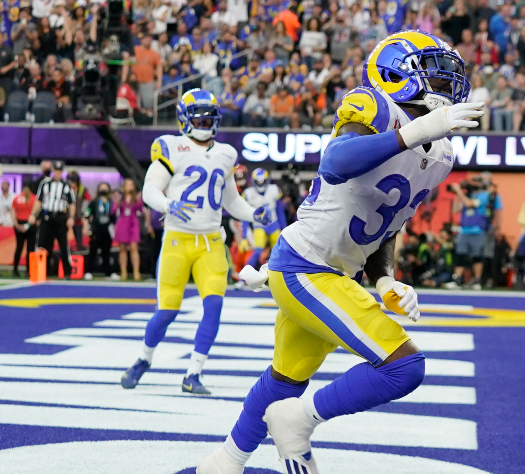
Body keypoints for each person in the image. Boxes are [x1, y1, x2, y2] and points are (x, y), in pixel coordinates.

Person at [196, 31, 484, 474]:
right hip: (307, 267)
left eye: (449, 78)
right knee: (403, 368)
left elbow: (386, 224)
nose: (447, 88)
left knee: (283, 380)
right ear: (394, 73)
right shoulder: (374, 106)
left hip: (332, 272)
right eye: (434, 74)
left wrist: (385, 277)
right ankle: (296, 421)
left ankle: (222, 464)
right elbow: (336, 162)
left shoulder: (441, 152)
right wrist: (416, 130)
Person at [121, 89, 274, 396]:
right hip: (178, 239)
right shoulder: (169, 146)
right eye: (198, 115)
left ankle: (194, 373)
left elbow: (231, 200)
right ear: (184, 118)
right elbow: (150, 189)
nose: (205, 121)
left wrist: (253, 215)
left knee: (214, 306)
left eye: (209, 115)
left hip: (211, 242)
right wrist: (166, 205)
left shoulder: (226, 154)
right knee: (166, 312)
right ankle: (144, 358)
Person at [32, 161, 76, 279]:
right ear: (52, 171)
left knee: (63, 245)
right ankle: (43, 271)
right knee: (44, 245)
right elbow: (39, 200)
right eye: (55, 170)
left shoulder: (66, 186)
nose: (57, 173)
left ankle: (67, 272)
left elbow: (72, 203)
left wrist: (71, 217)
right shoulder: (45, 184)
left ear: (62, 172)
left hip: (60, 217)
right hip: (47, 217)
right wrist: (33, 214)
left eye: (59, 171)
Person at [242, 168, 282, 267]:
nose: (260, 183)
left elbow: (279, 211)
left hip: (274, 224)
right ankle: (244, 277)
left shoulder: (274, 189)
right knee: (258, 250)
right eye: (258, 181)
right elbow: (245, 216)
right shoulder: (248, 193)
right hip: (258, 225)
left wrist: (284, 229)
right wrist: (244, 237)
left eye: (262, 181)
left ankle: (280, 277)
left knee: (279, 252)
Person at [113, 179, 145, 281]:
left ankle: (136, 271)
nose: (129, 187)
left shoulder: (136, 198)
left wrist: (140, 200)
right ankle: (123, 271)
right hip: (122, 223)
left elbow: (140, 210)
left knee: (134, 247)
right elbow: (113, 211)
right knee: (122, 248)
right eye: (127, 184)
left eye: (131, 185)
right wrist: (116, 201)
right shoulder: (120, 198)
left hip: (133, 223)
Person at [89, 183, 115, 276]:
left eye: (105, 188)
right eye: (101, 188)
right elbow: (87, 213)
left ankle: (108, 272)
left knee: (107, 251)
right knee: (93, 250)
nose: (103, 190)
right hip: (96, 228)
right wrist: (86, 225)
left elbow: (114, 216)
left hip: (107, 229)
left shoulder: (111, 202)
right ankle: (89, 271)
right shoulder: (94, 202)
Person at [11, 182, 37, 277]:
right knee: (30, 249)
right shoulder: (34, 199)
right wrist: (28, 225)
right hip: (30, 224)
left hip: (19, 223)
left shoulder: (17, 198)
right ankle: (28, 270)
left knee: (19, 247)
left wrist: (16, 224)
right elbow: (37, 213)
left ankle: (15, 270)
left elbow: (13, 211)